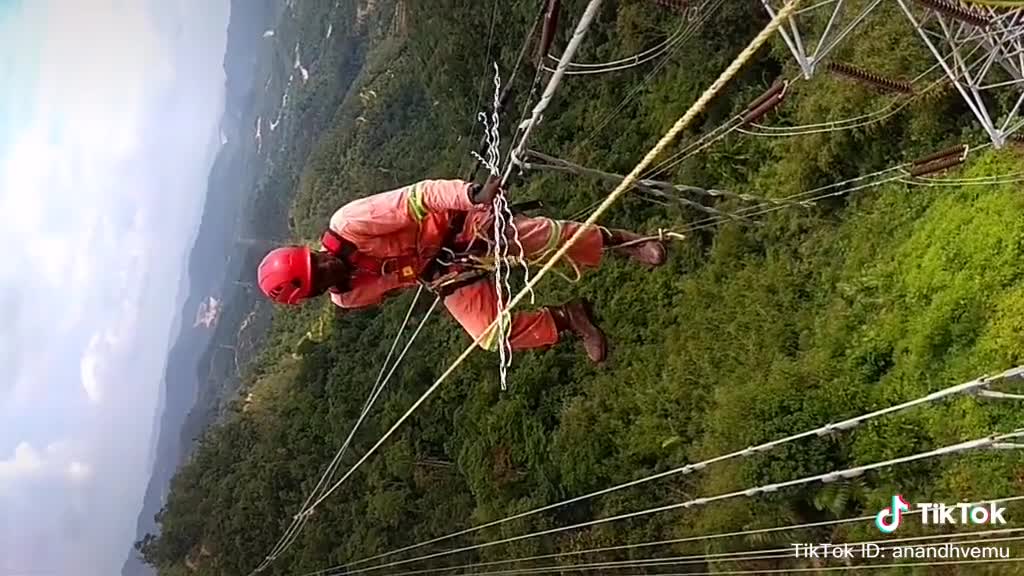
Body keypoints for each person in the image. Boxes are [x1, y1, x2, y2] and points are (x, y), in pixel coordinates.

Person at [257, 178, 666, 363]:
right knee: (490, 335)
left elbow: (415, 199)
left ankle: (625, 242)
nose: (326, 268)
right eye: (318, 278)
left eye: (317, 261)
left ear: (310, 252)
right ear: (313, 294)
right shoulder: (348, 296)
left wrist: (470, 195)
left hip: (456, 224)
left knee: (531, 238)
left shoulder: (350, 223)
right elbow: (399, 282)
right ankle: (570, 318)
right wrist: (440, 272)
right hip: (440, 269)